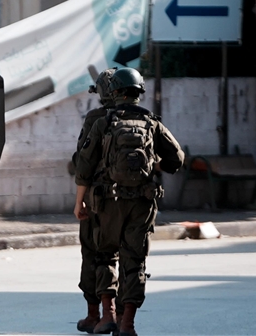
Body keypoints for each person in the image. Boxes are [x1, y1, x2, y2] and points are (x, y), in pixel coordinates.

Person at [74, 68, 184, 336]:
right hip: (142, 204)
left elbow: (83, 165)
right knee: (134, 262)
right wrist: (155, 164)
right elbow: (177, 159)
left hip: (108, 202)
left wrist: (79, 202)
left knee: (104, 255)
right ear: (139, 91)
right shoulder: (152, 122)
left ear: (114, 91)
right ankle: (128, 324)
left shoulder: (102, 122)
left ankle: (107, 314)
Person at [69, 68, 118, 334]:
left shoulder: (95, 118)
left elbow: (82, 162)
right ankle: (123, 317)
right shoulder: (143, 119)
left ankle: (96, 314)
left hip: (97, 200)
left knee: (94, 255)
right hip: (131, 203)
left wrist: (80, 200)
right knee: (129, 258)